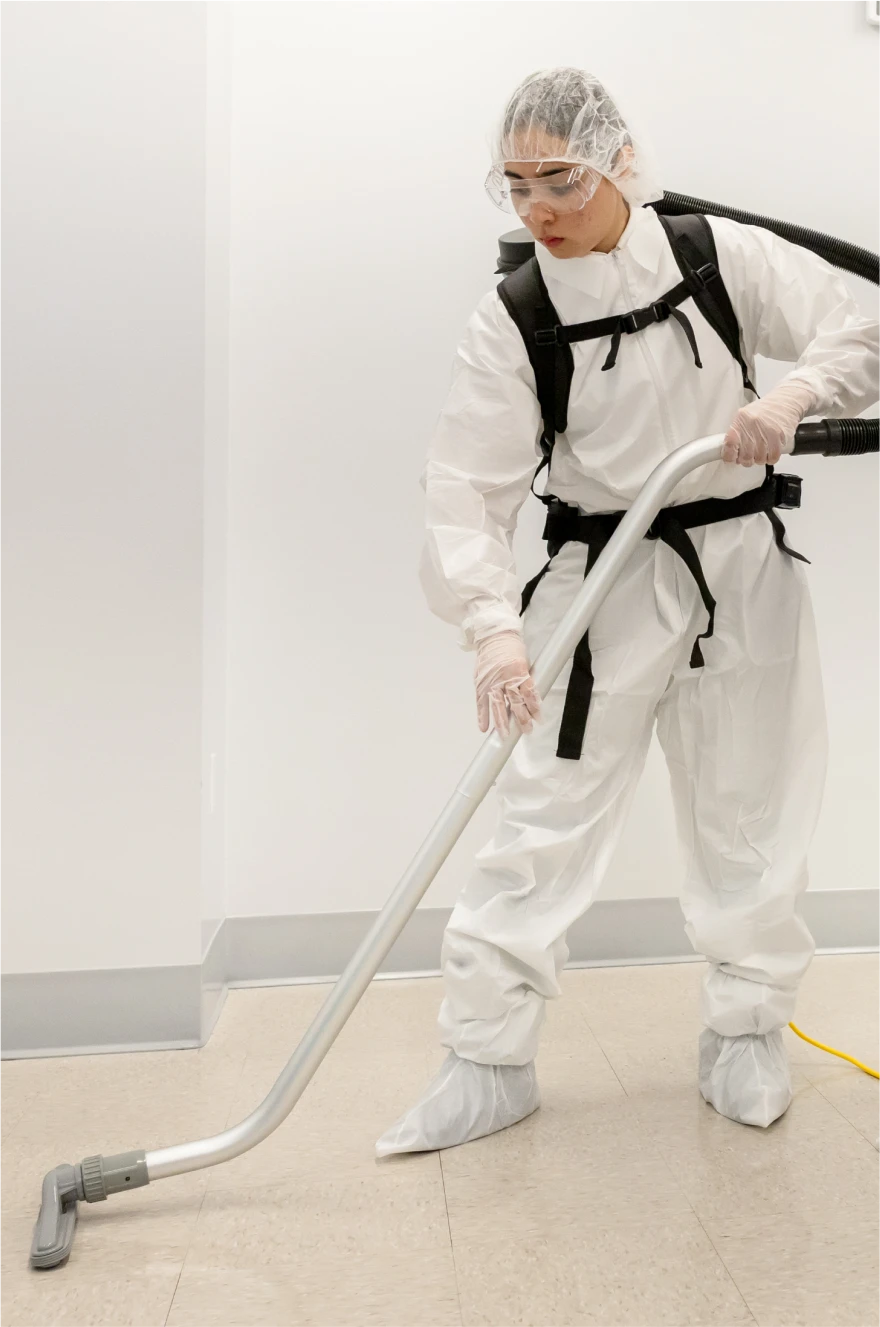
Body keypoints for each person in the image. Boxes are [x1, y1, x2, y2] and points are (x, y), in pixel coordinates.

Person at [377, 68, 880, 1155]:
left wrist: (791, 396)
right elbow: (464, 484)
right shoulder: (514, 314)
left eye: (559, 179)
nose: (538, 209)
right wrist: (493, 628)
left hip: (739, 568)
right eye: (515, 186)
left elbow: (855, 329)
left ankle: (746, 1033)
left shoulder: (715, 256)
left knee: (750, 805)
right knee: (540, 819)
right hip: (595, 585)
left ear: (619, 164)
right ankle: (485, 1059)